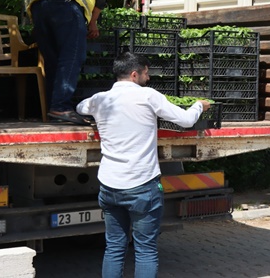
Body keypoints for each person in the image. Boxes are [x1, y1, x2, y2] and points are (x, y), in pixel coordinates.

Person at [76, 52, 210, 278]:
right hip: (142, 187)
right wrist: (199, 105)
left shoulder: (100, 99)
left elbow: (80, 107)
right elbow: (186, 120)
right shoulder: (148, 96)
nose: (148, 78)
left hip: (109, 186)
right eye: (146, 73)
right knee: (145, 251)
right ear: (134, 74)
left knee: (114, 248)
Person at [28, 0, 107, 125]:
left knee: (53, 59)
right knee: (72, 56)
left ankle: (54, 109)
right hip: (67, 5)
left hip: (38, 7)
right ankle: (61, 107)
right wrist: (93, 22)